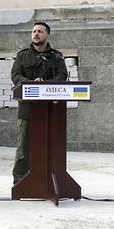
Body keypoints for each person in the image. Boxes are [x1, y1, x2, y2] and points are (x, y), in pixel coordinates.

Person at [10, 21, 68, 184]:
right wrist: (31, 83)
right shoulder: (23, 56)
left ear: (47, 35)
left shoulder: (56, 56)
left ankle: (50, 181)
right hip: (27, 110)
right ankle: (20, 183)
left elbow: (62, 76)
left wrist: (46, 84)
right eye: (34, 31)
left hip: (50, 110)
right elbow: (15, 75)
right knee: (23, 149)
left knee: (51, 147)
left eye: (40, 31)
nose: (36, 34)